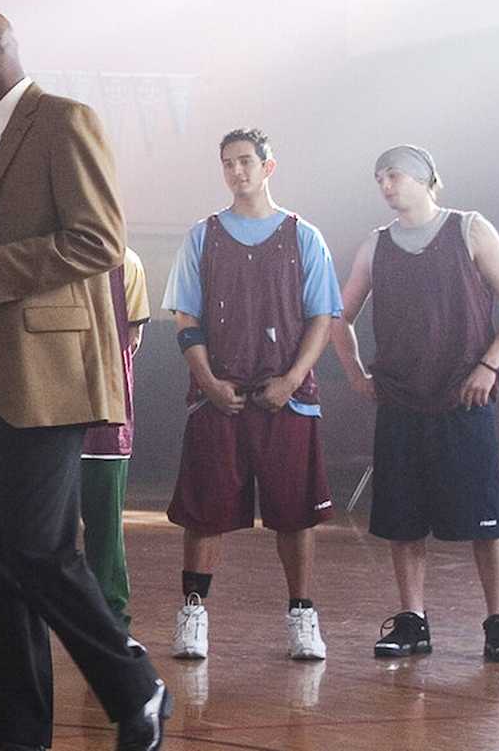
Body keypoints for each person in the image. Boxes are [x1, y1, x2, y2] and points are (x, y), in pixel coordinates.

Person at [0, 5, 167, 751]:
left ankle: (134, 683)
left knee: (38, 547)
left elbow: (99, 240)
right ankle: (16, 726)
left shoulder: (65, 122)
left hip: (46, 375)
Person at [330, 144, 499, 662]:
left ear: (423, 179)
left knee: (486, 515)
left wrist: (488, 366)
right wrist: (355, 371)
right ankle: (412, 620)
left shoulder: (469, 229)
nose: (385, 185)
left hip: (463, 398)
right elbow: (339, 315)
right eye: (379, 178)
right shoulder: (376, 246)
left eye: (393, 175)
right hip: (401, 399)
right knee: (403, 518)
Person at [162, 128, 341, 663]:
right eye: (227, 163)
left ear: (268, 166)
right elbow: (185, 316)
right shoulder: (203, 235)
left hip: (287, 396)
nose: (237, 171)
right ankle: (193, 613)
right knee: (204, 513)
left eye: (245, 161)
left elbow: (321, 318)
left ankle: (302, 614)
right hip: (220, 394)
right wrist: (209, 381)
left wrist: (291, 379)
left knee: (296, 514)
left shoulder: (303, 235)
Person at [81, 248, 152, 640]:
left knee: (105, 530)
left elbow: (133, 338)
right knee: (39, 533)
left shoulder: (127, 262)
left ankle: (110, 625)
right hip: (44, 417)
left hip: (105, 421)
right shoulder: (41, 253)